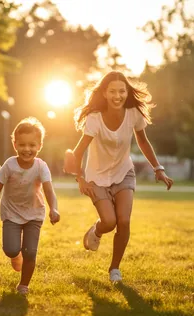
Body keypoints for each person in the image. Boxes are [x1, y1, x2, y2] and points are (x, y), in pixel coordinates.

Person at [64, 71, 173, 283]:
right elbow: (77, 153)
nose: (118, 96)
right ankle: (96, 230)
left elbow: (142, 142)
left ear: (127, 92)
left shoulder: (134, 113)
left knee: (123, 220)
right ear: (104, 93)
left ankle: (114, 268)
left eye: (122, 91)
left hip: (124, 172)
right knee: (109, 221)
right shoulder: (94, 119)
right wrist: (81, 179)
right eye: (112, 91)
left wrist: (158, 168)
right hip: (96, 177)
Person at [0, 117, 60, 295]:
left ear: (39, 146)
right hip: (11, 213)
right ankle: (15, 256)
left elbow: (49, 190)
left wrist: (54, 208)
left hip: (34, 214)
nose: (27, 149)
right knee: (11, 249)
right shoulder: (9, 165)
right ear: (15, 144)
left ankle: (24, 285)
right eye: (22, 145)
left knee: (30, 252)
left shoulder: (41, 167)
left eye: (32, 145)